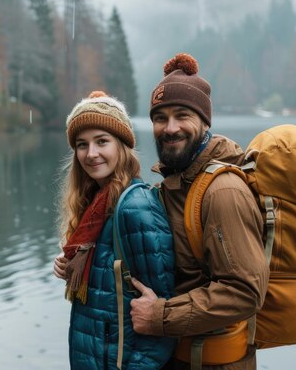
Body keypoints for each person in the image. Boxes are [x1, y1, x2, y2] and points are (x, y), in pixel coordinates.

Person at [129, 53, 270, 370]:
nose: (170, 128)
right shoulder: (176, 183)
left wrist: (160, 317)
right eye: (160, 118)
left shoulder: (224, 191)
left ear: (205, 122)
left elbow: (245, 292)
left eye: (182, 116)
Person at [53, 90, 176, 370]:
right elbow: (109, 288)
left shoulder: (135, 206)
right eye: (82, 144)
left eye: (102, 141)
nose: (91, 153)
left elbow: (161, 317)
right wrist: (70, 268)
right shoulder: (94, 204)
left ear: (122, 146)